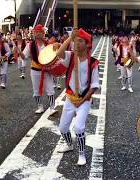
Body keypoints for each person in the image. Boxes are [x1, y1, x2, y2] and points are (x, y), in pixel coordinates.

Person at [54, 28, 100, 165]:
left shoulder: (93, 62)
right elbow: (58, 53)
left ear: (87, 44)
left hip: (84, 99)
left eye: (80, 41)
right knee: (62, 128)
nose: (77, 43)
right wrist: (70, 37)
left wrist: (83, 100)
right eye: (75, 41)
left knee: (79, 127)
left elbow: (94, 85)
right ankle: (69, 144)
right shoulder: (70, 56)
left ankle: (82, 154)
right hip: (70, 98)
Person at [23, 24, 57, 115]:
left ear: (43, 33)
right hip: (35, 70)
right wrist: (18, 52)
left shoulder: (48, 44)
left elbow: (55, 55)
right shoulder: (30, 45)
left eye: (40, 32)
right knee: (36, 90)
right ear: (34, 33)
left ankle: (52, 108)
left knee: (50, 89)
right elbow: (24, 56)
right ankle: (40, 106)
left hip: (46, 70)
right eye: (36, 32)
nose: (38, 34)